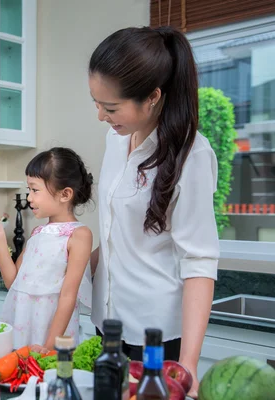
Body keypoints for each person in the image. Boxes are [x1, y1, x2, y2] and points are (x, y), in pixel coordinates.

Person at [88, 26, 220, 397]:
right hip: (107, 322)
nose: (100, 115)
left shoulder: (192, 155)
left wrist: (189, 365)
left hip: (156, 338)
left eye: (110, 107)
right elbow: (120, 231)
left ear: (152, 97)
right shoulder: (114, 139)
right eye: (95, 102)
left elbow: (199, 261)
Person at [0, 147, 93, 350]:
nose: (29, 197)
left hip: (52, 336)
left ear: (65, 194)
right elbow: (12, 283)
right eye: (28, 190)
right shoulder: (38, 232)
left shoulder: (79, 235)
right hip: (21, 327)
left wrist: (49, 348)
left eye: (35, 190)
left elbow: (68, 296)